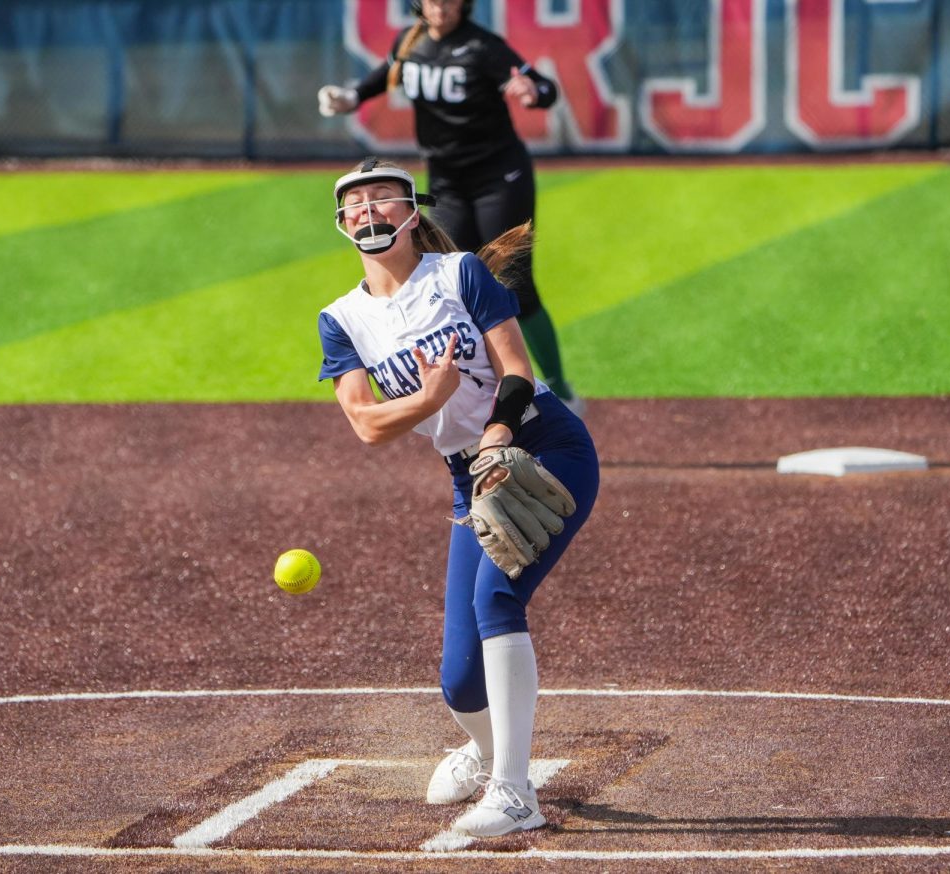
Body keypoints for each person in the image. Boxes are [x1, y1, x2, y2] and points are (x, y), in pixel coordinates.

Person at [317, 158, 599, 837]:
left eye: (382, 197)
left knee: (494, 599)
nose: (368, 210)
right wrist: (429, 399)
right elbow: (365, 424)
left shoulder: (460, 273)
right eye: (355, 203)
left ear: (411, 213)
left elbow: (518, 370)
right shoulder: (341, 319)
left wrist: (499, 432)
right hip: (465, 474)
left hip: (541, 445)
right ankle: (484, 751)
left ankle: (513, 792)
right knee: (458, 681)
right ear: (342, 225)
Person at [319, 0, 585, 416]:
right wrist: (352, 96)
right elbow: (388, 73)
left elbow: (543, 87)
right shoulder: (412, 42)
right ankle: (474, 381)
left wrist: (534, 92)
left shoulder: (482, 47)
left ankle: (560, 386)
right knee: (443, 278)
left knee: (514, 282)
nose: (441, 7)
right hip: (446, 180)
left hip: (499, 175)